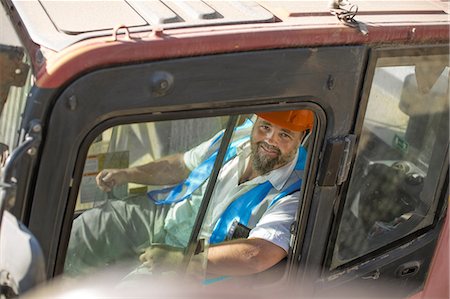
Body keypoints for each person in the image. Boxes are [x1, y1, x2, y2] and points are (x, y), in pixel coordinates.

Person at [64, 110, 314, 277]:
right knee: (88, 229)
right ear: (255, 122)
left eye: (284, 135)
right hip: (167, 212)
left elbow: (258, 254)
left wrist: (185, 259)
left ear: (301, 138)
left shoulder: (294, 189)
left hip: (201, 252)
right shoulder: (234, 136)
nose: (270, 140)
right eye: (265, 127)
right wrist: (128, 173)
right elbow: (181, 165)